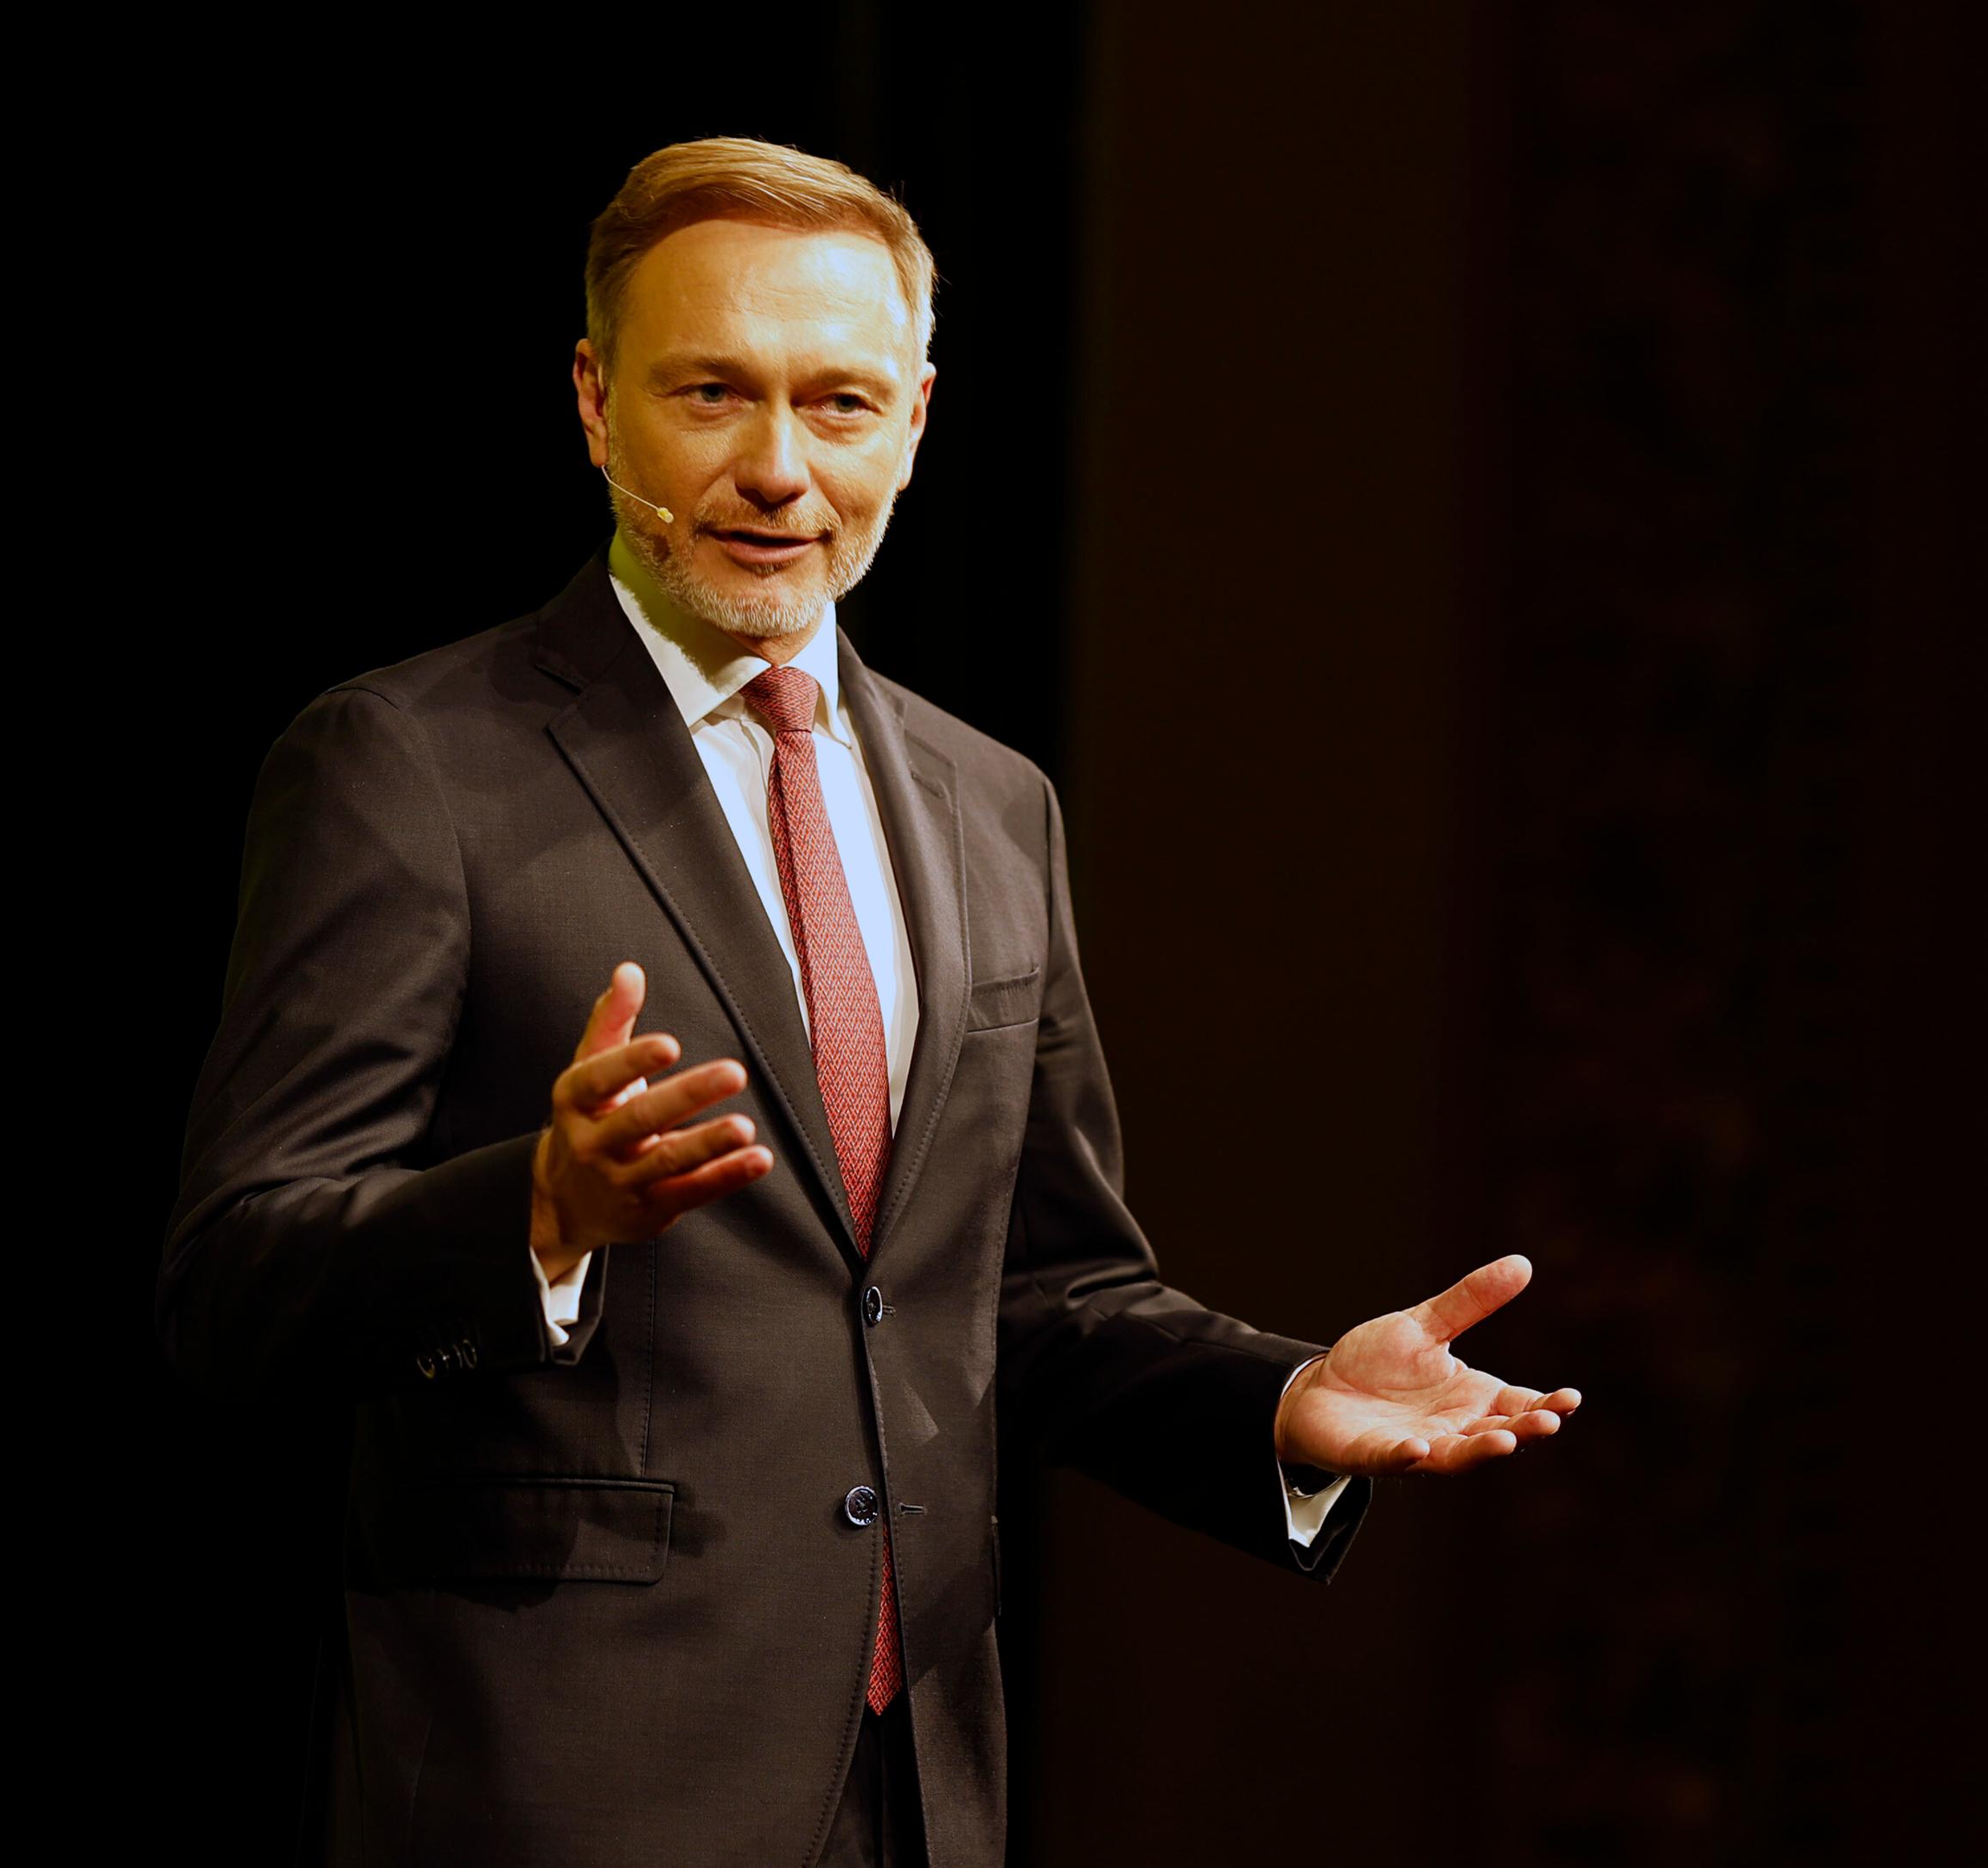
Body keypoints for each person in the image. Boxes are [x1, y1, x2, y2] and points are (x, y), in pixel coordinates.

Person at [159, 136, 1581, 1867]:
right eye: (712, 394)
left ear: (913, 419)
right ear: (597, 404)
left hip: (915, 1790)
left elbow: (1035, 1292)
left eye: (836, 404)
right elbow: (239, 1279)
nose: (777, 469)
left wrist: (1275, 1404)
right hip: (561, 1782)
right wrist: (534, 1214)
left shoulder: (993, 806)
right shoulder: (410, 768)